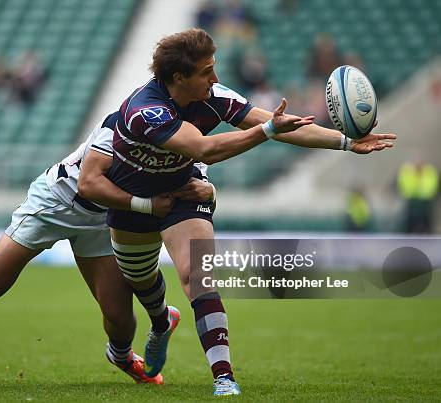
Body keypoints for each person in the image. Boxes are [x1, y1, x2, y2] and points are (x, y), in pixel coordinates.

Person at [77, 28, 396, 396]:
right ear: (179, 78)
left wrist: (346, 141)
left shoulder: (215, 96)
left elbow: (282, 126)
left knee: (198, 276)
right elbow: (205, 148)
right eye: (206, 71)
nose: (215, 77)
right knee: (141, 279)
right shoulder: (144, 110)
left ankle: (223, 377)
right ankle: (162, 323)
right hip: (133, 200)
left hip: (186, 193)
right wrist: (267, 131)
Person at [0, 113, 216, 385]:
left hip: (102, 217)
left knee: (120, 317)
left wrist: (205, 189)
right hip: (57, 202)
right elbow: (93, 183)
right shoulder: (132, 121)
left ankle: (122, 357)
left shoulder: (180, 138)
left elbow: (195, 175)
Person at [397, 161, 439, 233]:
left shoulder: (430, 172)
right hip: (412, 200)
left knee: (426, 222)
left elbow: (431, 186)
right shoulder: (408, 172)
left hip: (425, 201)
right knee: (410, 222)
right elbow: (405, 185)